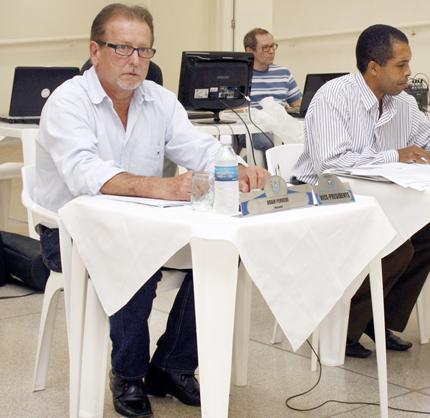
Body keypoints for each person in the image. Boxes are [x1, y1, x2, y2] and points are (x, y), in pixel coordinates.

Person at [33, 4, 268, 417]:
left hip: (143, 223)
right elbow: (85, 173)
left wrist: (238, 168)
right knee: (134, 257)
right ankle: (129, 375)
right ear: (95, 50)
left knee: (224, 248)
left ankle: (172, 365)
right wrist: (164, 187)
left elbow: (198, 148)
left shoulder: (159, 100)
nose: (135, 60)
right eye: (122, 48)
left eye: (144, 50)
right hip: (68, 232)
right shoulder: (68, 102)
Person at [292, 24, 430, 358]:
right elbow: (331, 163)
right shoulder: (333, 97)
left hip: (376, 197)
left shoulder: (403, 103)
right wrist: (395, 155)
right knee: (396, 245)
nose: (409, 72)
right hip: (323, 194)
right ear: (374, 67)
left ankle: (376, 318)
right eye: (401, 65)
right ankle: (344, 329)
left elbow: (429, 140)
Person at [238, 28, 303, 166]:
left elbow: (298, 105)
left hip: (281, 125)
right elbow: (232, 109)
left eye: (273, 46)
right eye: (266, 48)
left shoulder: (283, 73)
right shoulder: (239, 75)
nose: (272, 51)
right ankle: (274, 175)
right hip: (252, 128)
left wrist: (287, 110)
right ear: (250, 51)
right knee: (270, 141)